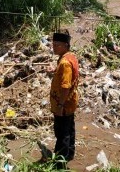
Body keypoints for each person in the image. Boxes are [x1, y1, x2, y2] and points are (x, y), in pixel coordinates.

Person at [50, 31, 79, 166]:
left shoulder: (64, 63)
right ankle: (70, 154)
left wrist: (60, 106)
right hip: (71, 102)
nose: (54, 47)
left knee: (62, 134)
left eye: (57, 45)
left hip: (63, 104)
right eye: (53, 44)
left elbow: (66, 86)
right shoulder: (70, 56)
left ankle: (59, 164)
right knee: (70, 128)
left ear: (65, 45)